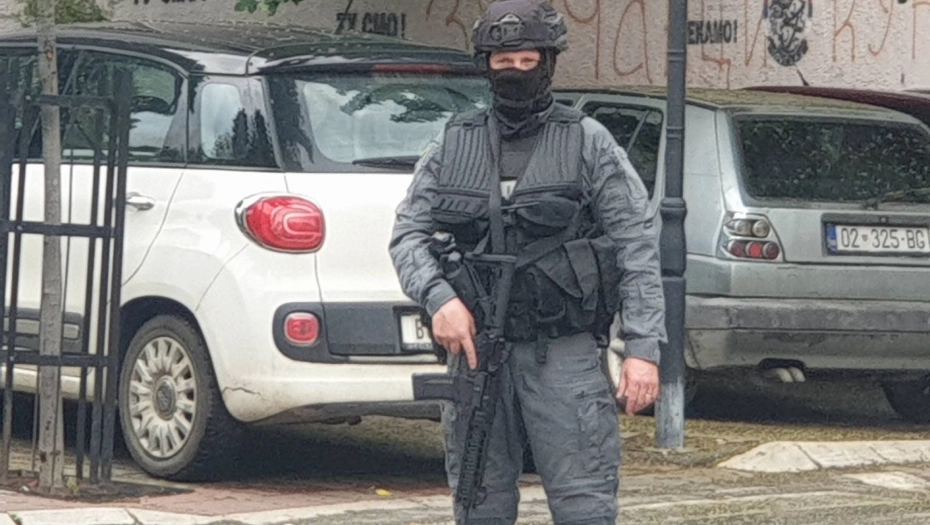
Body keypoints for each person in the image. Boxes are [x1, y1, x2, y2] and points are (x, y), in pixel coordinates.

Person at [389, 1, 667, 523]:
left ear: (548, 62)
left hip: (563, 352)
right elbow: (408, 237)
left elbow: (637, 246)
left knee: (584, 504)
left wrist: (644, 350)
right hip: (476, 355)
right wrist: (439, 298)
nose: (515, 71)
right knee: (479, 504)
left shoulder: (588, 141)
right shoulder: (453, 143)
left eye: (527, 60)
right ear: (485, 65)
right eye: (503, 62)